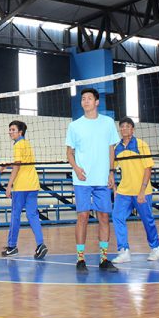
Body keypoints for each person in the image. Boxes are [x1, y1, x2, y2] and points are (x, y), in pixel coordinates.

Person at [65, 88, 120, 273]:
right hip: (82, 180)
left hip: (102, 179)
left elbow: (111, 149)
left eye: (89, 98)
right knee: (83, 217)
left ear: (97, 102)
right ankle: (80, 259)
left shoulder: (108, 123)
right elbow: (69, 153)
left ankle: (104, 259)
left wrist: (112, 172)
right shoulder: (75, 126)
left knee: (104, 217)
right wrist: (76, 168)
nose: (86, 101)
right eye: (83, 99)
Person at [111, 117, 159, 264]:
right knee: (117, 217)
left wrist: (142, 190)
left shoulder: (141, 145)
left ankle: (156, 248)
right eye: (122, 127)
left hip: (142, 192)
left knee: (147, 220)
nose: (124, 129)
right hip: (124, 191)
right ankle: (124, 250)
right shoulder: (117, 148)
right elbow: (111, 169)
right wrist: (115, 188)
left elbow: (148, 168)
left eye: (127, 126)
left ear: (133, 129)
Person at [0, 121, 47, 259]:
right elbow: (19, 162)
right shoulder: (26, 143)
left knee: (15, 215)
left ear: (20, 132)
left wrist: (9, 185)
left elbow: (17, 166)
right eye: (9, 129)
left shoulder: (17, 145)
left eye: (13, 130)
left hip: (21, 186)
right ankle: (40, 244)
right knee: (32, 215)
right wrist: (6, 165)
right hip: (33, 184)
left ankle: (12, 246)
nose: (10, 132)